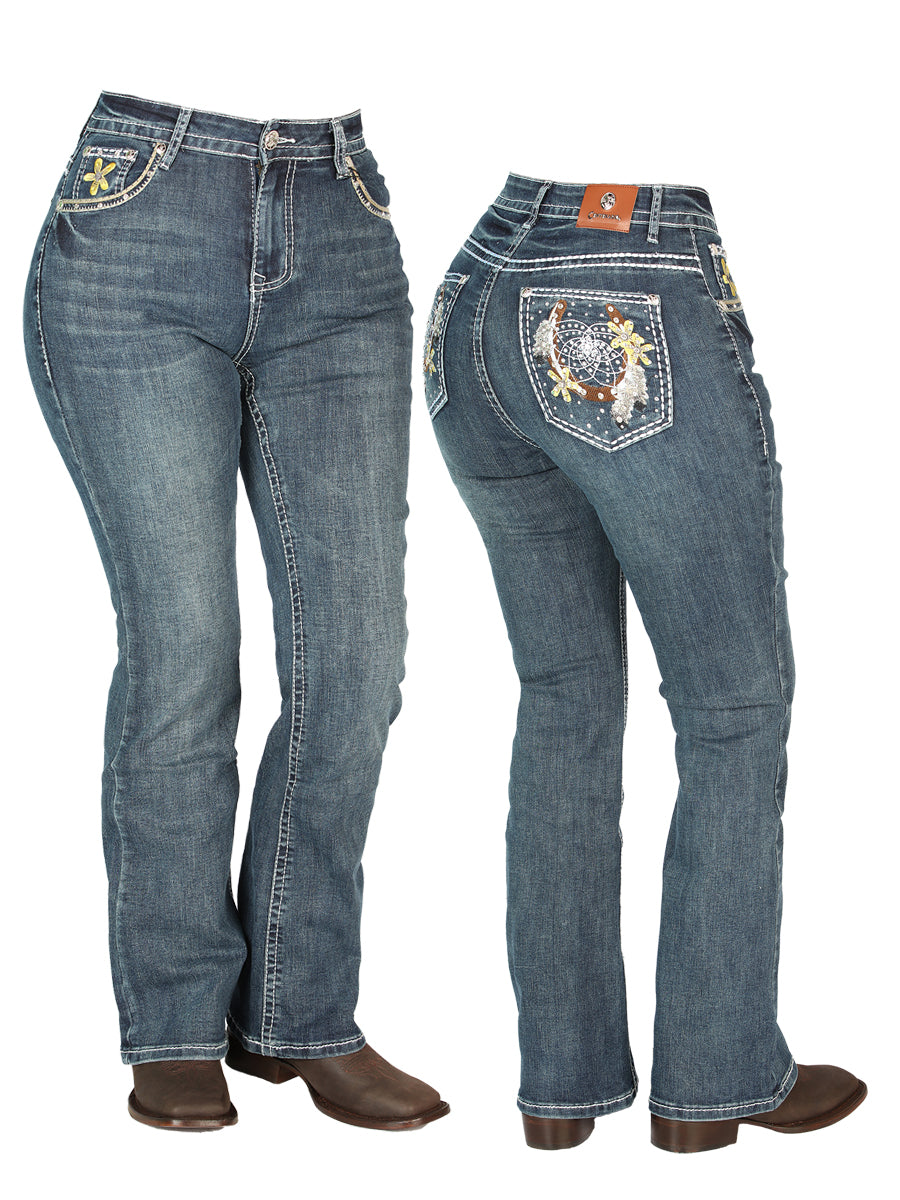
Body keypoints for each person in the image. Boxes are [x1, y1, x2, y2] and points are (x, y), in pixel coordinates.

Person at [23, 91, 448, 1132]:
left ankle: (297, 1015)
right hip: (140, 221)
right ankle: (175, 1026)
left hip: (341, 225)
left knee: (357, 665)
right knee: (187, 655)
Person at [421, 176, 865, 1151]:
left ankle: (560, 1087)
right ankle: (715, 1081)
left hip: (476, 294)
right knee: (732, 713)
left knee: (563, 697)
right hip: (624, 285)